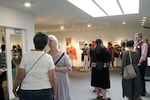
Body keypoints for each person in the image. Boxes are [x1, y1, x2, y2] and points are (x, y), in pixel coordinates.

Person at [13, 32, 56, 100]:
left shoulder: (26, 56)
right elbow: (53, 79)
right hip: (45, 90)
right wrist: (54, 93)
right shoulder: (48, 58)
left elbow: (20, 76)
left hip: (27, 90)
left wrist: (14, 88)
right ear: (45, 44)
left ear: (34, 42)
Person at [48, 35, 72, 100]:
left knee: (62, 95)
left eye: (51, 41)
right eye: (48, 42)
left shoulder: (63, 55)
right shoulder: (46, 55)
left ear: (56, 42)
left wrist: (57, 68)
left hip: (61, 79)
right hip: (50, 79)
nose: (49, 43)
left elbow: (69, 68)